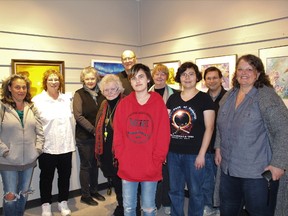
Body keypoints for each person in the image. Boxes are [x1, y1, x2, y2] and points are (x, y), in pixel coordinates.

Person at [214, 54, 288, 216]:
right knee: (228, 211)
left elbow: (284, 129)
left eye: (250, 69)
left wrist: (279, 164)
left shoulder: (266, 97)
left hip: (257, 173)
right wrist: (218, 146)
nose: (244, 73)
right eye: (240, 69)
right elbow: (221, 125)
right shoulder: (229, 95)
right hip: (229, 170)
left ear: (258, 73)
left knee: (259, 212)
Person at [113, 63, 170, 216]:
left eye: (141, 76)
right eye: (133, 78)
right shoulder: (124, 104)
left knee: (149, 207)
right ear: (130, 82)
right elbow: (118, 134)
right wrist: (120, 156)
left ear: (148, 79)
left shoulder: (158, 103)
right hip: (128, 164)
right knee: (129, 207)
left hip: (150, 163)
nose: (137, 81)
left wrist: (158, 159)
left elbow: (163, 134)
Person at [166, 62, 215, 216]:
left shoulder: (205, 99)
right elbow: (165, 126)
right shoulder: (172, 99)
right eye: (184, 74)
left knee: (196, 192)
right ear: (179, 78)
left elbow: (210, 128)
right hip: (173, 153)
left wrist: (202, 154)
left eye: (191, 74)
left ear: (197, 77)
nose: (187, 77)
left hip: (195, 155)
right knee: (175, 191)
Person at [32, 69, 76, 216]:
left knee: (64, 176)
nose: (53, 82)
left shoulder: (67, 100)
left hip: (65, 146)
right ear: (45, 82)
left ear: (60, 82)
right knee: (46, 178)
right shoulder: (37, 101)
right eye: (50, 79)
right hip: (47, 147)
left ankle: (63, 202)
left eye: (56, 79)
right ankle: (46, 204)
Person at [0, 74, 44, 216]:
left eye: (24, 87)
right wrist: (5, 151)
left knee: (24, 193)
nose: (21, 90)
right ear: (9, 88)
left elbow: (40, 131)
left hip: (29, 159)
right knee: (11, 196)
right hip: (8, 160)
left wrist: (38, 149)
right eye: (17, 87)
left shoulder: (31, 107)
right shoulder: (2, 107)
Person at [73, 66, 106, 206]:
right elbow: (78, 116)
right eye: (87, 79)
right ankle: (85, 195)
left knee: (95, 164)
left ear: (96, 79)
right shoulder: (79, 94)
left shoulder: (102, 94)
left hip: (98, 137)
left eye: (92, 78)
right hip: (85, 137)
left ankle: (94, 190)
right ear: (83, 80)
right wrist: (94, 130)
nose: (90, 81)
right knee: (86, 165)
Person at [149, 64, 177, 215]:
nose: (159, 77)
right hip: (150, 140)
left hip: (169, 139)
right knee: (152, 172)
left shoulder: (175, 95)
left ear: (167, 77)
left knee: (166, 174)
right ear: (152, 77)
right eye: (156, 74)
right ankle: (153, 201)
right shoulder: (145, 94)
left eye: (163, 74)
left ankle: (166, 202)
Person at [95, 74, 125, 216]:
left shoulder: (125, 103)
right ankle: (121, 204)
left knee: (122, 181)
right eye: (106, 90)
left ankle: (125, 207)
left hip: (121, 151)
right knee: (115, 179)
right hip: (107, 149)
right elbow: (98, 126)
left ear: (119, 89)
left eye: (113, 89)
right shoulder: (104, 104)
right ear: (102, 91)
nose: (110, 92)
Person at [202, 66, 226, 216]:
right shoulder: (202, 98)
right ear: (205, 81)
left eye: (214, 77)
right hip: (205, 147)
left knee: (222, 180)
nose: (211, 81)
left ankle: (222, 207)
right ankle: (209, 205)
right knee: (206, 180)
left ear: (221, 79)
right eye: (208, 78)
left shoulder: (229, 97)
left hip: (222, 147)